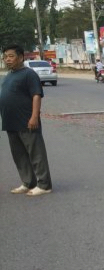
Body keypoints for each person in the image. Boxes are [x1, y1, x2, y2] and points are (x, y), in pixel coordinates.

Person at [0, 44, 53, 196]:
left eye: (11, 56)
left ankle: (44, 185)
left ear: (21, 57)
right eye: (5, 57)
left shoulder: (29, 74)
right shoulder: (9, 76)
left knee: (36, 154)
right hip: (11, 122)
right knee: (19, 155)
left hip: (26, 121)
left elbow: (36, 95)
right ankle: (28, 182)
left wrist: (34, 116)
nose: (7, 59)